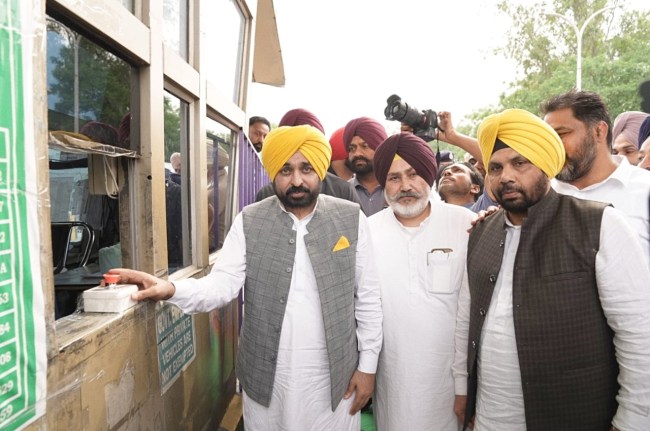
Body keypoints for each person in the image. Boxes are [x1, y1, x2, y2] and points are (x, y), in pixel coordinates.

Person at [111, 125, 382, 430]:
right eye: (285, 170)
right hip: (267, 378)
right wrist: (171, 289)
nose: (296, 180)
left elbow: (368, 299)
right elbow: (222, 285)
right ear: (273, 173)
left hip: (334, 379)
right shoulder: (250, 220)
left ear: (319, 170)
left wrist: (368, 368)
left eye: (306, 168)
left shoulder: (351, 218)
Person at [454, 108, 650, 431]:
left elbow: (639, 334)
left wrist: (631, 421)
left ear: (546, 164)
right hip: (490, 418)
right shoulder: (481, 231)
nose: (506, 176)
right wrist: (463, 390)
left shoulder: (600, 224)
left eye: (520, 163)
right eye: (496, 167)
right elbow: (466, 318)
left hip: (574, 417)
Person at [369, 132, 474, 430]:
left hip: (451, 382)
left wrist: (464, 385)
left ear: (428, 175)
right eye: (394, 178)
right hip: (392, 382)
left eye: (413, 174)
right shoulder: (368, 231)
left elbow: (469, 310)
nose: (405, 186)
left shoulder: (465, 224)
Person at [540, 90, 650, 265]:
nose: (553, 146)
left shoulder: (645, 188)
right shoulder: (540, 195)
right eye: (548, 139)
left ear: (599, 131)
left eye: (561, 134)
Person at [255, 109, 359, 204]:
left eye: (306, 169)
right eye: (286, 170)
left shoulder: (343, 191)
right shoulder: (266, 194)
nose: (297, 182)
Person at [344, 117, 388, 216]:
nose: (357, 153)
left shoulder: (396, 187)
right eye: (352, 148)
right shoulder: (342, 191)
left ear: (380, 149)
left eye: (365, 146)